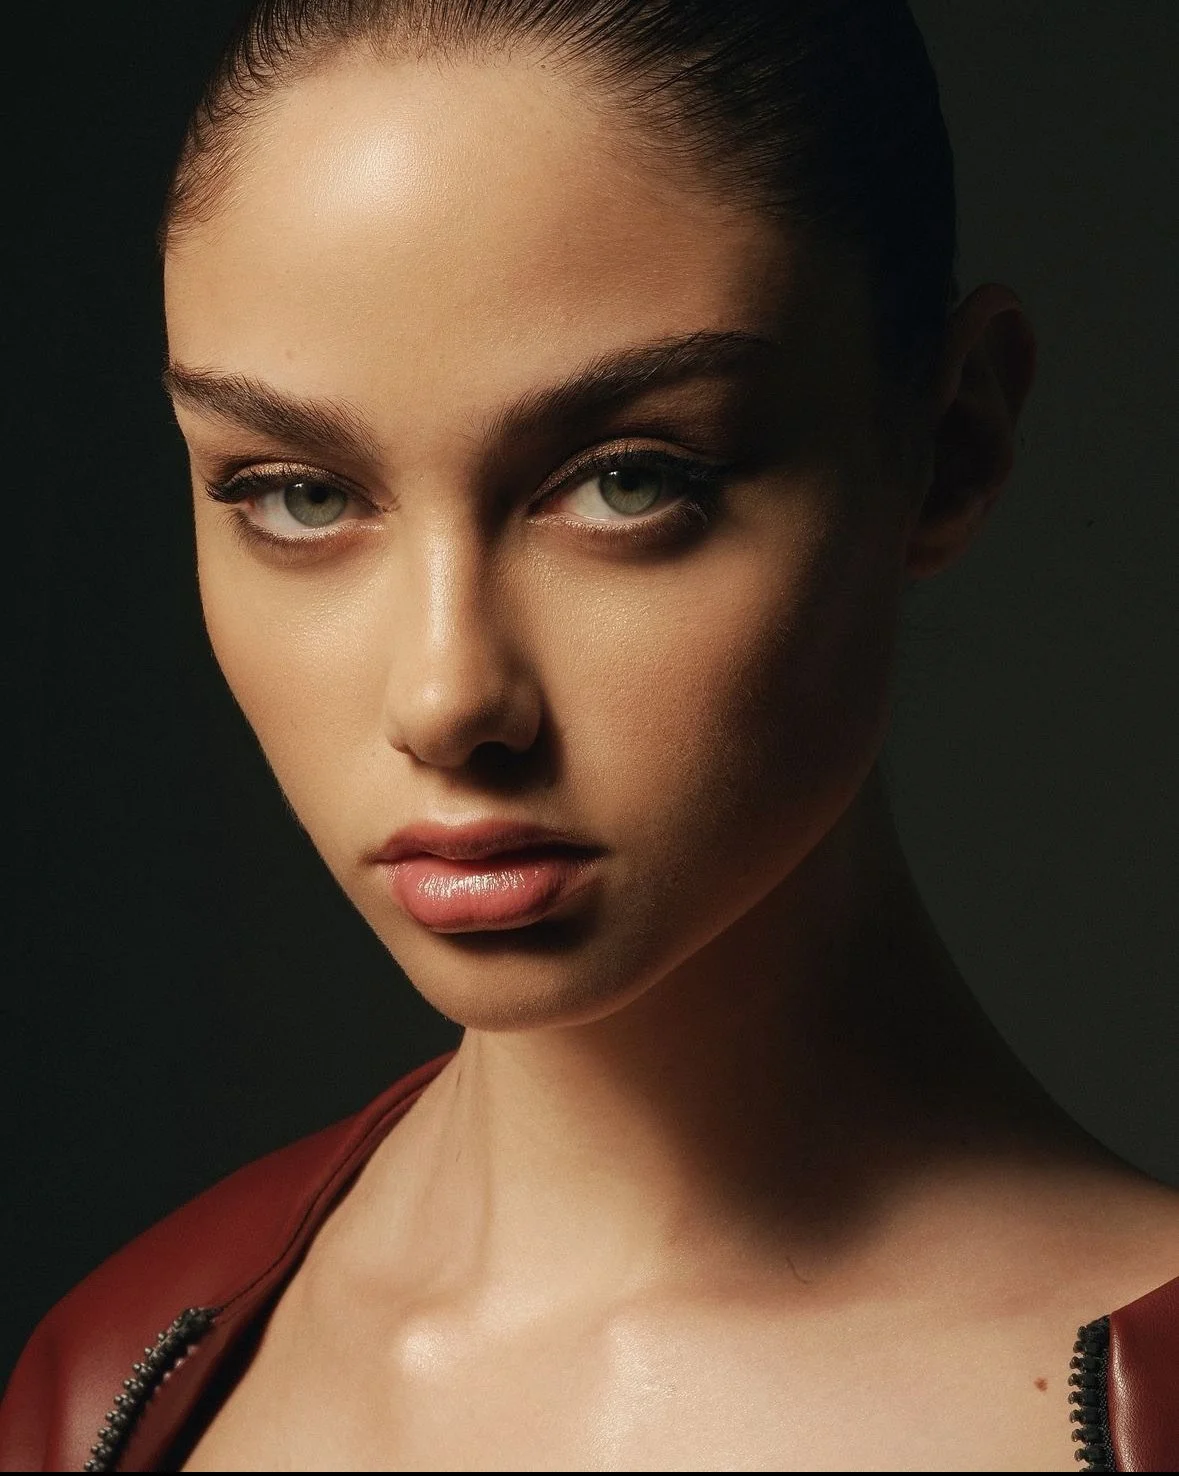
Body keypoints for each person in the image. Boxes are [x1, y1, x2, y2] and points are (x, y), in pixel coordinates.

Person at [2, 1, 1176, 1470]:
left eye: (626, 482)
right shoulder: (115, 1384)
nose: (444, 698)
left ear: (950, 445)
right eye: (297, 493)